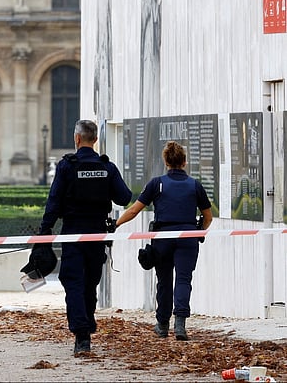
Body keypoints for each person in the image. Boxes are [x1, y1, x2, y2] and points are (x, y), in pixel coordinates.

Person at [37, 119, 132, 354]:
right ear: (95, 140)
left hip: (73, 233)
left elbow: (54, 201)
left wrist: (44, 229)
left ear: (77, 139)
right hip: (97, 233)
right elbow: (124, 197)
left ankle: (82, 335)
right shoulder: (106, 167)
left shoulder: (67, 166)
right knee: (90, 283)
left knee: (73, 282)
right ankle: (86, 326)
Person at [116, 140, 213, 341]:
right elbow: (208, 217)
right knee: (184, 280)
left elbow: (134, 210)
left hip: (163, 238)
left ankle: (162, 325)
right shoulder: (195, 185)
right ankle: (180, 325)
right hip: (188, 237)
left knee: (164, 281)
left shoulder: (157, 184)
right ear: (184, 162)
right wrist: (198, 232)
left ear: (165, 162)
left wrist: (115, 224)